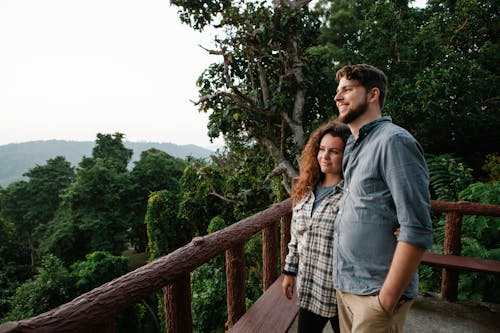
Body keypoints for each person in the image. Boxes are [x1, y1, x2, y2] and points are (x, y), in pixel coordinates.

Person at [332, 64, 433, 332]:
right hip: (347, 286)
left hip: (376, 293)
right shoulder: (354, 145)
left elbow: (417, 227)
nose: (338, 97)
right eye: (338, 91)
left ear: (372, 94)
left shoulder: (394, 142)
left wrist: (386, 300)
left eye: (348, 90)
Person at [282, 120, 351, 333]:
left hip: (341, 293)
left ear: (348, 154)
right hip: (310, 287)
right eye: (321, 149)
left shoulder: (352, 194)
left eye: (334, 151)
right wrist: (289, 272)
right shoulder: (305, 190)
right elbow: (296, 237)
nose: (325, 156)